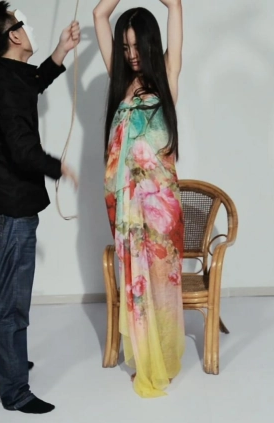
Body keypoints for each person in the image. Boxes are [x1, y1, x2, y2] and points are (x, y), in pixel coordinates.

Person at [0, 1, 80, 414]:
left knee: (6, 292)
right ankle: (15, 391)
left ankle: (2, 362)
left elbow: (31, 82)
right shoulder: (4, 82)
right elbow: (21, 149)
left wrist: (60, 51)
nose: (27, 28)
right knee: (12, 303)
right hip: (11, 210)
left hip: (4, 205)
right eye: (22, 23)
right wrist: (58, 167)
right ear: (14, 35)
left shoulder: (0, 71)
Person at [94, 0, 185, 398]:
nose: (131, 55)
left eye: (137, 46)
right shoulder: (120, 82)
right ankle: (146, 359)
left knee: (160, 287)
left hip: (160, 210)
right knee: (136, 287)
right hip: (126, 210)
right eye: (125, 47)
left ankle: (161, 360)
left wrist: (174, 5)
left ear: (150, 44)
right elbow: (99, 15)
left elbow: (175, 6)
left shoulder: (167, 77)